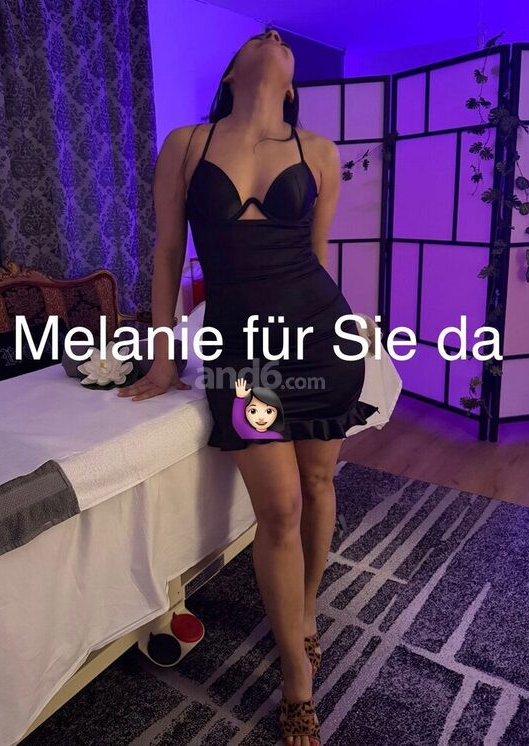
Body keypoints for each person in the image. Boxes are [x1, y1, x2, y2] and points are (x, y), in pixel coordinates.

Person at [118, 27, 380, 746]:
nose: (270, 34)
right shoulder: (187, 144)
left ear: (291, 86)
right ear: (232, 72)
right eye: (255, 37)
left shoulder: (318, 151)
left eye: (280, 40)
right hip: (243, 358)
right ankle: (296, 678)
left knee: (319, 486)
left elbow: (316, 256)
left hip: (322, 343)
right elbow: (167, 252)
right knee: (280, 506)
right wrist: (165, 356)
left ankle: (305, 613)